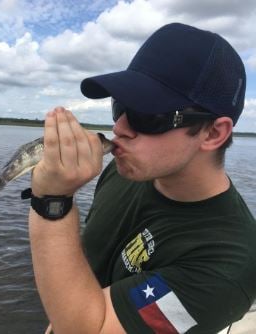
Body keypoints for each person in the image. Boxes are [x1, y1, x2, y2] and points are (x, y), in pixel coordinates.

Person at [28, 23, 256, 334]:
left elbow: (89, 330)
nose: (120, 128)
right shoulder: (127, 170)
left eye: (148, 115)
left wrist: (52, 203)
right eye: (119, 106)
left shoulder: (227, 265)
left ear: (213, 133)